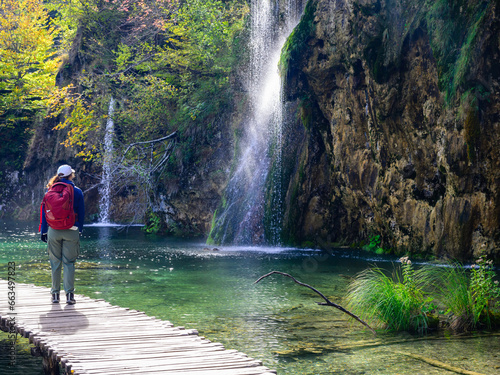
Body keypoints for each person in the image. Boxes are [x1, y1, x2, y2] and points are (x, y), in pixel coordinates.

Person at [40, 164, 85, 304]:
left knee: (55, 263)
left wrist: (43, 231)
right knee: (69, 263)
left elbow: (44, 212)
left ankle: (54, 295)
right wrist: (79, 229)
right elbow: (82, 213)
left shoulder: (50, 191)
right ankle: (70, 296)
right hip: (71, 230)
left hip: (53, 230)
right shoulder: (77, 191)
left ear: (58, 175)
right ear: (71, 175)